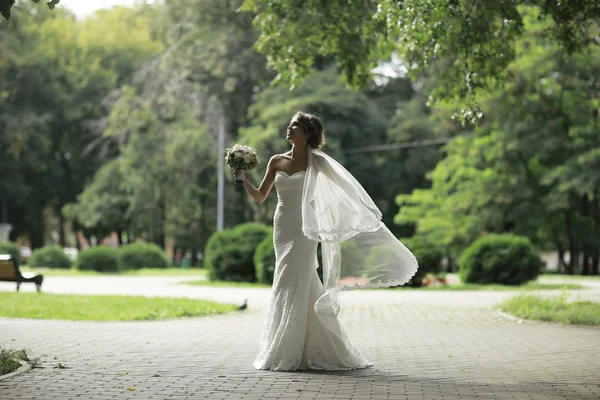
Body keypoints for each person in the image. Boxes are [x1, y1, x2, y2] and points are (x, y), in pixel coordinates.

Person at [242, 111, 418, 371]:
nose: (289, 129)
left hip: (306, 228)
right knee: (290, 278)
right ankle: (295, 344)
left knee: (296, 276)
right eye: (289, 125)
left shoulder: (319, 163)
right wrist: (243, 177)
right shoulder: (276, 160)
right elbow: (260, 196)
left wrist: (336, 214)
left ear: (307, 133)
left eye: (295, 126)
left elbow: (344, 189)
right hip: (282, 226)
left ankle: (297, 346)